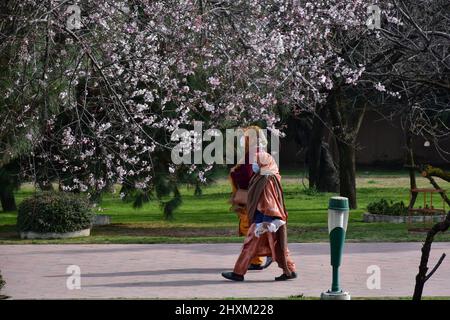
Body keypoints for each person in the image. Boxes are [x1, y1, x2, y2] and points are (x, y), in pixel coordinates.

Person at [222, 147, 296, 281]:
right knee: (280, 248)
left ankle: (238, 273)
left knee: (248, 247)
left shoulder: (266, 181)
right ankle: (289, 270)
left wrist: (263, 224)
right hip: (268, 221)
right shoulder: (264, 177)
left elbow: (269, 204)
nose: (254, 165)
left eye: (257, 162)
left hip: (263, 222)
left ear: (264, 163)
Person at [229, 126, 272, 270]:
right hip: (258, 198)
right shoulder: (259, 153)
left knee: (251, 228)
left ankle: (256, 260)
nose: (243, 140)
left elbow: (247, 176)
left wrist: (234, 173)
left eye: (246, 137)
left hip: (251, 199)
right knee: (256, 227)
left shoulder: (253, 154)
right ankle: (265, 255)